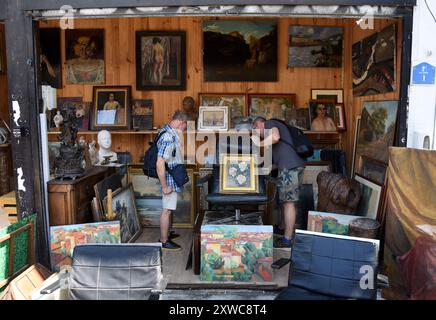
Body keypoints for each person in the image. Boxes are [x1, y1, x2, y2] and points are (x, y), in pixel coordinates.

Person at [252, 117, 305, 248]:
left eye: (255, 128)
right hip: (292, 165)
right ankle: (285, 231)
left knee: (288, 204)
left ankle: (287, 240)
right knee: (289, 203)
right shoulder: (271, 140)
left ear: (260, 123)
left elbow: (275, 137)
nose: (255, 132)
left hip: (289, 167)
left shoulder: (270, 123)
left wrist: (259, 144)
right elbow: (277, 160)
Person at [156, 110, 188, 251]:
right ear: (182, 122)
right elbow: (160, 162)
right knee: (167, 210)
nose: (184, 130)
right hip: (169, 178)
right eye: (185, 127)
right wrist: (164, 186)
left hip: (171, 174)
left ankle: (167, 233)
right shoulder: (169, 137)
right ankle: (163, 241)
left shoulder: (166, 131)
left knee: (170, 208)